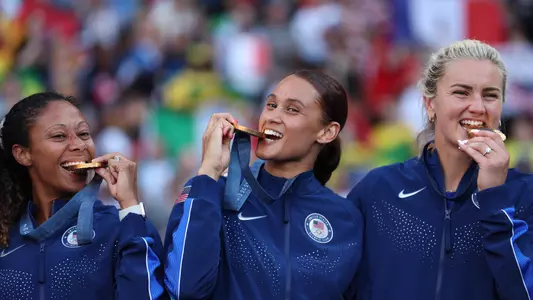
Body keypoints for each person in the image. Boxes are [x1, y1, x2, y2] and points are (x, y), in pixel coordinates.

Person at [347, 39, 533, 300]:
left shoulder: (525, 195)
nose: (478, 107)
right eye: (461, 92)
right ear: (430, 104)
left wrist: (495, 198)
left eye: (490, 95)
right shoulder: (378, 190)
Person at [163, 70, 363, 299]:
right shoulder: (211, 192)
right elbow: (184, 289)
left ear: (327, 132)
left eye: (292, 109)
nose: (272, 117)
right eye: (270, 105)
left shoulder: (345, 218)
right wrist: (209, 171)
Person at [0, 92, 166, 300]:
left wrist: (130, 206)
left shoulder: (122, 227)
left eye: (84, 134)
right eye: (59, 136)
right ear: (23, 154)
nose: (79, 145)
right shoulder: (6, 236)